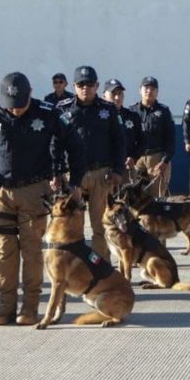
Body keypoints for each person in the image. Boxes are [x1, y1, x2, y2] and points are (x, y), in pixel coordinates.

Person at [0, 72, 86, 325]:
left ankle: (30, 308)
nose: (15, 110)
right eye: (11, 106)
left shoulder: (48, 113)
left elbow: (75, 146)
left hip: (35, 191)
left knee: (31, 251)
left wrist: (75, 183)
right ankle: (5, 307)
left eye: (21, 105)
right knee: (4, 250)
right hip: (0, 193)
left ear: (30, 93)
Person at [55, 66, 126, 260]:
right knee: (71, 226)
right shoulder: (63, 109)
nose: (85, 88)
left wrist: (118, 170)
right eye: (81, 84)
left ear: (97, 85)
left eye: (89, 84)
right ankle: (76, 267)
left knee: (100, 226)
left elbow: (119, 141)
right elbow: (55, 143)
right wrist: (56, 172)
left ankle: (100, 268)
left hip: (100, 174)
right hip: (73, 177)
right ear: (74, 86)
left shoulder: (108, 109)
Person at [129, 76, 175, 197]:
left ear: (157, 92)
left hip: (157, 157)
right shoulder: (132, 111)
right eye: (146, 88)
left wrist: (165, 161)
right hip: (137, 159)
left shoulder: (164, 111)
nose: (149, 91)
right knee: (133, 195)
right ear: (140, 90)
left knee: (157, 197)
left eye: (153, 89)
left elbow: (171, 138)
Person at [102, 78, 142, 175]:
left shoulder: (132, 116)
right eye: (113, 94)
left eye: (120, 93)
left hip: (125, 168)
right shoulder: (98, 116)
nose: (117, 97)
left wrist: (133, 157)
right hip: (103, 169)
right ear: (104, 96)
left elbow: (143, 141)